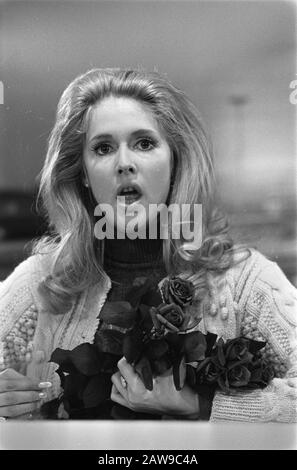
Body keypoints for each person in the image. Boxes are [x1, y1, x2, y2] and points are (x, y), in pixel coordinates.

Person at [0, 68, 296, 422]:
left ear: (175, 160)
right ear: (82, 172)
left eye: (144, 143)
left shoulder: (247, 281)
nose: (125, 163)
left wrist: (200, 405)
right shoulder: (41, 280)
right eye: (103, 148)